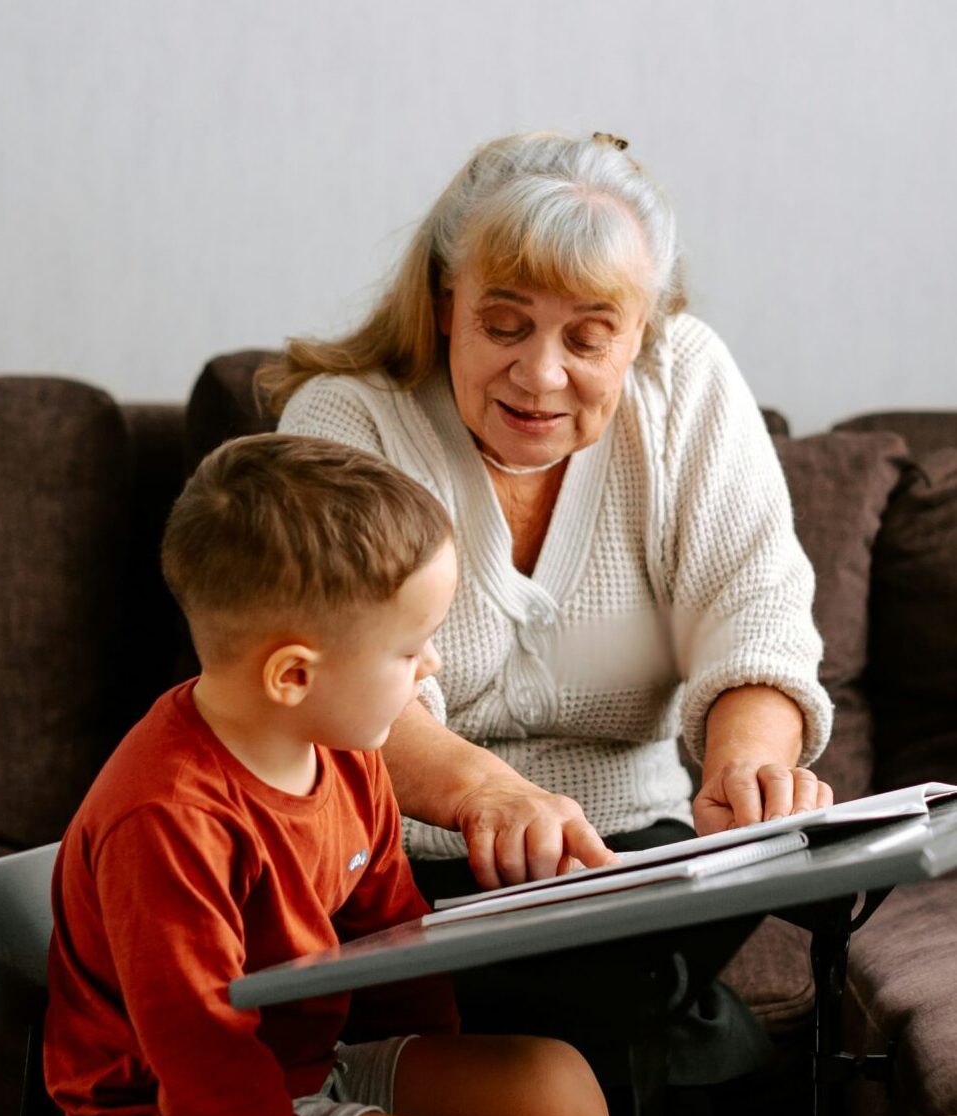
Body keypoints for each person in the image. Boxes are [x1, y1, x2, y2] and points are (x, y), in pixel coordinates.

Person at [43, 434, 617, 1116]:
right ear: (292, 675)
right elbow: (206, 1073)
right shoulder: (165, 818)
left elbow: (391, 936)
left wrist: (432, 1106)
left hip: (301, 1078)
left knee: (556, 1085)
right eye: (407, 649)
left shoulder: (342, 746)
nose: (434, 665)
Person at [261, 130, 835, 904]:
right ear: (442, 303)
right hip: (405, 863)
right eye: (503, 325)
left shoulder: (686, 379)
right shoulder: (345, 420)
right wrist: (489, 797)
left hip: (640, 854)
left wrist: (748, 772)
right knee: (692, 1025)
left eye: (591, 337)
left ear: (643, 330)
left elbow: (755, 608)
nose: (540, 374)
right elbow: (340, 680)